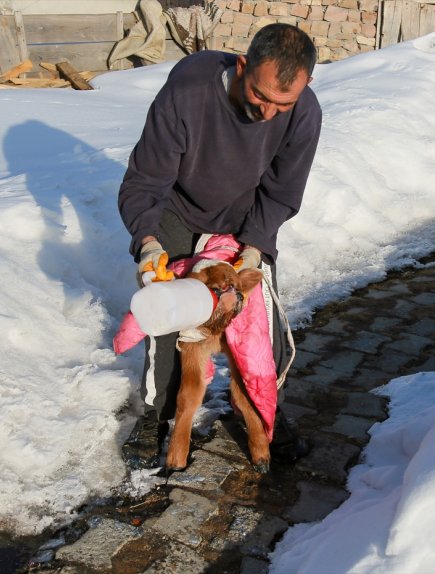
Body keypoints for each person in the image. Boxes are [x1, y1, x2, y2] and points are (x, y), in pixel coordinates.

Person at [118, 23, 322, 469]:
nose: (269, 113)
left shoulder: (303, 112)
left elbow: (282, 192)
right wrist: (149, 243)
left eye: (282, 104)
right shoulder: (189, 90)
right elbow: (146, 179)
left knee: (259, 323)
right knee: (170, 317)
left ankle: (264, 411)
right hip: (180, 213)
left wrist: (254, 246)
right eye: (261, 96)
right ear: (243, 67)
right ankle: (158, 413)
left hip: (246, 218)